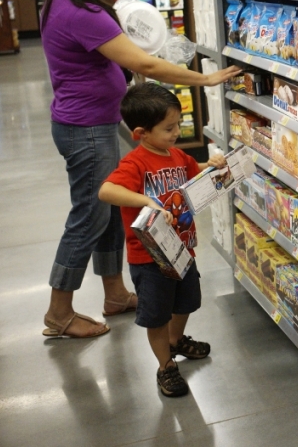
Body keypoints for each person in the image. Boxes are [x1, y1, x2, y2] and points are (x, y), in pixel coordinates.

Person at [40, 0, 239, 339]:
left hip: (97, 120)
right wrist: (203, 78)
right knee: (89, 217)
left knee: (108, 216)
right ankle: (59, 311)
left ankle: (114, 293)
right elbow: (145, 66)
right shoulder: (79, 12)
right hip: (86, 128)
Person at [99, 83, 223, 397]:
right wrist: (146, 201)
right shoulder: (135, 163)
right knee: (156, 314)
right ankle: (165, 365)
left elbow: (194, 174)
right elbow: (107, 191)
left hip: (182, 250)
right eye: (169, 128)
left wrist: (214, 167)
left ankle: (175, 340)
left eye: (178, 124)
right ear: (140, 133)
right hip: (149, 259)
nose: (176, 132)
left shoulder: (178, 155)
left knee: (187, 301)